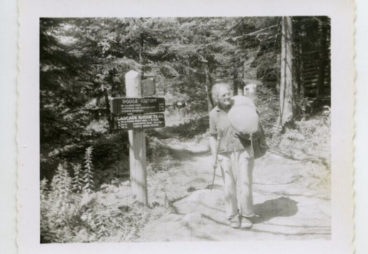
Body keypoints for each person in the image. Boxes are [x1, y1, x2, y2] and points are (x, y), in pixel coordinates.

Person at [209, 82, 257, 229]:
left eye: (229, 93)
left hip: (244, 149)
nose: (227, 97)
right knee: (229, 185)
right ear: (217, 97)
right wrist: (214, 156)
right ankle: (233, 215)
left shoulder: (240, 107)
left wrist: (247, 131)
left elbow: (254, 124)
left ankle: (247, 215)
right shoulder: (213, 114)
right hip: (225, 152)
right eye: (223, 95)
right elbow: (212, 136)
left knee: (245, 183)